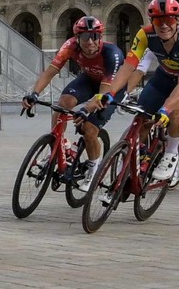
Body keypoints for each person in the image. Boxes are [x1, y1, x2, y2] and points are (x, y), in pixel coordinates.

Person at [97, 0, 179, 181]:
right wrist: (110, 93)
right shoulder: (144, 35)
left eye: (169, 20)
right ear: (151, 22)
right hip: (164, 76)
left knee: (175, 110)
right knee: (141, 118)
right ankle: (138, 158)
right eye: (158, 20)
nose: (164, 25)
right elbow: (128, 67)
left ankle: (171, 154)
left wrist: (166, 109)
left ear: (177, 20)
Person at [21, 15, 120, 172]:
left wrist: (87, 109)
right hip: (89, 79)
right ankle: (59, 144)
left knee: (89, 128)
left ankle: (94, 168)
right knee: (63, 103)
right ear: (77, 38)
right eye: (85, 37)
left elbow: (103, 91)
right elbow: (50, 72)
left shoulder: (111, 53)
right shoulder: (70, 46)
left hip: (111, 87)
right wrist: (34, 94)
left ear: (100, 37)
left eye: (94, 37)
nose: (90, 42)